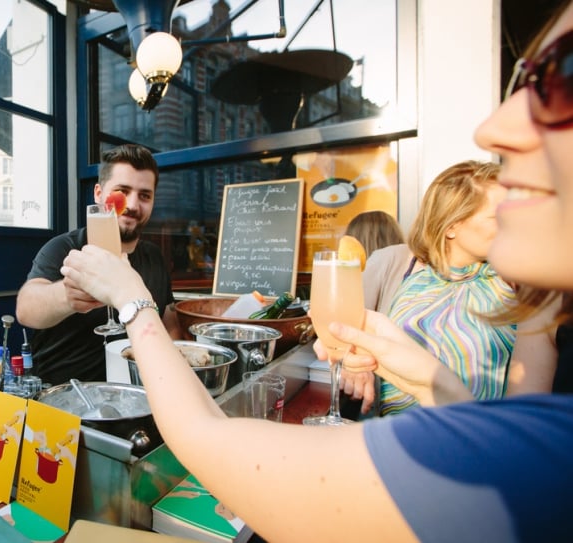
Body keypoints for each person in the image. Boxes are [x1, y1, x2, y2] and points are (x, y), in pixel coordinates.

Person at [60, 2, 573, 539]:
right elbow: (495, 444)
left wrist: (133, 301)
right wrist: (424, 375)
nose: (496, 127)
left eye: (559, 74)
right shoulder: (540, 438)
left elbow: (211, 446)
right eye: (522, 79)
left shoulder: (546, 457)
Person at [16, 144, 180, 385]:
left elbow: (170, 322)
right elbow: (26, 309)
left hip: (136, 395)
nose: (132, 205)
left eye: (144, 195)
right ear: (98, 194)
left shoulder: (154, 257)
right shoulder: (64, 247)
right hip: (65, 397)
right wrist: (66, 295)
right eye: (122, 191)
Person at [372, 161, 516, 416]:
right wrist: (356, 366)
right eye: (497, 216)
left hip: (473, 443)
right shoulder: (407, 274)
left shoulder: (516, 283)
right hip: (394, 439)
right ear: (451, 226)